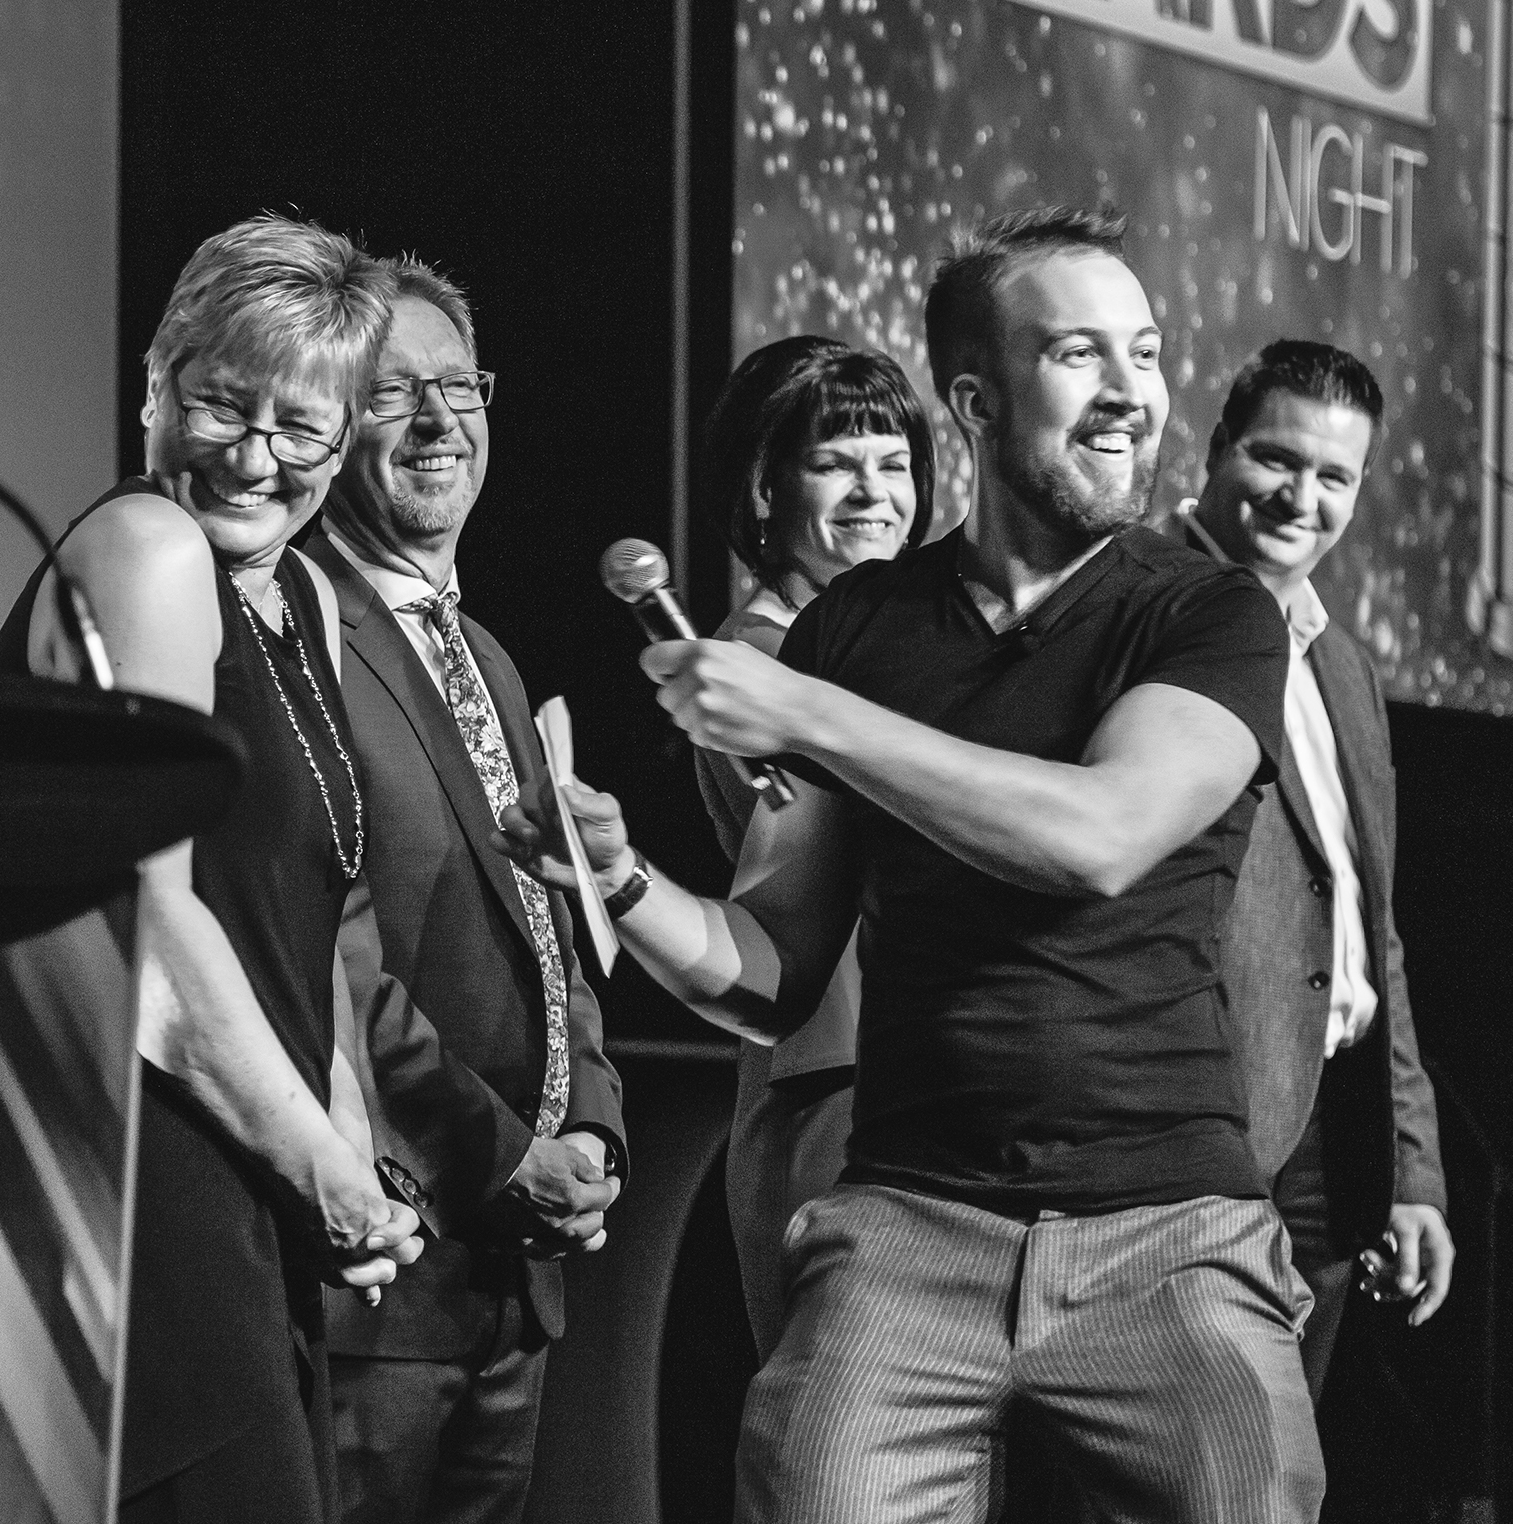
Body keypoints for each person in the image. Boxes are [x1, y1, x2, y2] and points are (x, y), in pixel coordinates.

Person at [497, 206, 1323, 1522]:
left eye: (1148, 353)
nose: (1131, 393)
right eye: (1080, 355)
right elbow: (768, 974)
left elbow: (1098, 836)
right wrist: (620, 879)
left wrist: (807, 709)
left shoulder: (1205, 611)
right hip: (906, 1226)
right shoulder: (859, 625)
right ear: (975, 402)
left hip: (1169, 1235)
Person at [0, 215, 422, 1523]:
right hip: (145, 1162)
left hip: (248, 1164)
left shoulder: (308, 599)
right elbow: (150, 925)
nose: (255, 458)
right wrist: (319, 1165)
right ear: (153, 387)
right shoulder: (149, 550)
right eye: (222, 406)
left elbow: (300, 911)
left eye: (303, 430)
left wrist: (347, 1143)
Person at [304, 255, 626, 1524]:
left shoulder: (484, 651)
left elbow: (550, 921)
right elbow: (334, 957)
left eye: (460, 385)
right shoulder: (297, 628)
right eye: (395, 393)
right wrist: (503, 1161)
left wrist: (591, 1125)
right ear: (330, 419)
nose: (440, 421)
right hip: (382, 1283)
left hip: (513, 1285)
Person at [1174, 339, 1452, 1403]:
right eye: (1277, 460)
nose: (1303, 498)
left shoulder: (1344, 665)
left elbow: (1372, 932)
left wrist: (1413, 1171)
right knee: (1189, 1460)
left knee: (1282, 1467)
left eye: (1334, 475)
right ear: (1217, 448)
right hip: (1193, 1134)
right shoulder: (1135, 607)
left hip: (1333, 1141)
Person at [692, 334, 934, 1358]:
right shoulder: (758, 663)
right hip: (836, 1096)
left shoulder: (868, 646)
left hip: (905, 1084)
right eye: (836, 463)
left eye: (895, 464)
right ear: (764, 488)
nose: (875, 494)